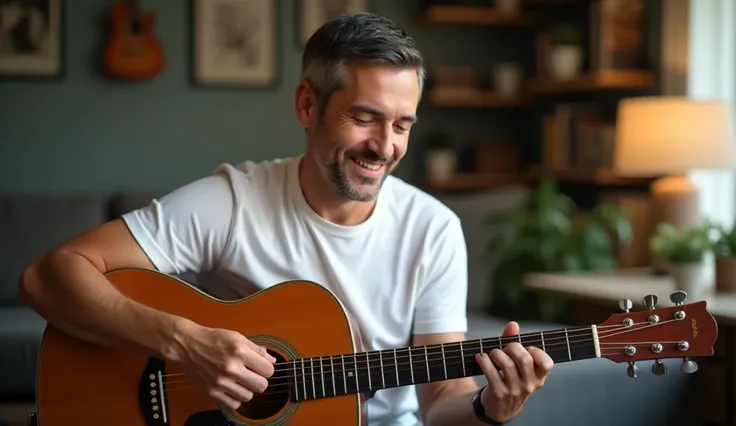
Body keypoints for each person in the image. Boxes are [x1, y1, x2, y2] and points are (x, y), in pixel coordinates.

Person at [18, 12, 553, 426]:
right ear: (306, 106)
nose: (384, 147)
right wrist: (185, 342)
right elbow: (49, 275)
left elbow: (441, 401)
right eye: (364, 118)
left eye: (402, 125)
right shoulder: (232, 202)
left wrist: (489, 407)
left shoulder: (433, 229)